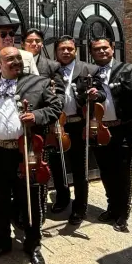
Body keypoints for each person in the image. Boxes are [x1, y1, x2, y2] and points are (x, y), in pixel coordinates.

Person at [0, 47, 61, 264]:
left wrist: (37, 115)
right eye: (9, 59)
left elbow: (55, 106)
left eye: (18, 58)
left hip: (26, 152)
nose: (15, 62)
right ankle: (2, 241)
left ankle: (33, 245)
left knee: (29, 199)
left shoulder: (37, 83)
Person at [90, 37, 132, 233]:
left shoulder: (130, 70)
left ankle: (123, 213)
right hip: (100, 129)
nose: (101, 52)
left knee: (123, 173)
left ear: (112, 48)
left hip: (122, 129)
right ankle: (112, 207)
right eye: (97, 49)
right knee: (106, 171)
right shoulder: (91, 73)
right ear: (92, 53)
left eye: (104, 48)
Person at [51, 36, 105, 225]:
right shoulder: (51, 70)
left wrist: (96, 94)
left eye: (69, 49)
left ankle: (80, 208)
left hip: (79, 124)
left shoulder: (89, 69)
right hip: (58, 125)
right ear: (56, 52)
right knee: (57, 165)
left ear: (75, 51)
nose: (66, 52)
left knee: (80, 167)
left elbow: (102, 92)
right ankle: (62, 198)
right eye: (62, 49)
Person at [20, 28, 65, 225]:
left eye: (38, 41)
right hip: (21, 127)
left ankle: (39, 213)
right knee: (22, 172)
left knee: (41, 170)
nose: (35, 44)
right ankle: (22, 211)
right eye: (31, 41)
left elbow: (60, 95)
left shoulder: (52, 65)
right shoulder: (16, 60)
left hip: (41, 126)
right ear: (23, 43)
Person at [0, 16, 38, 83]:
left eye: (11, 34)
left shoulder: (28, 56)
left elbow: (36, 82)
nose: (8, 37)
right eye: (3, 34)